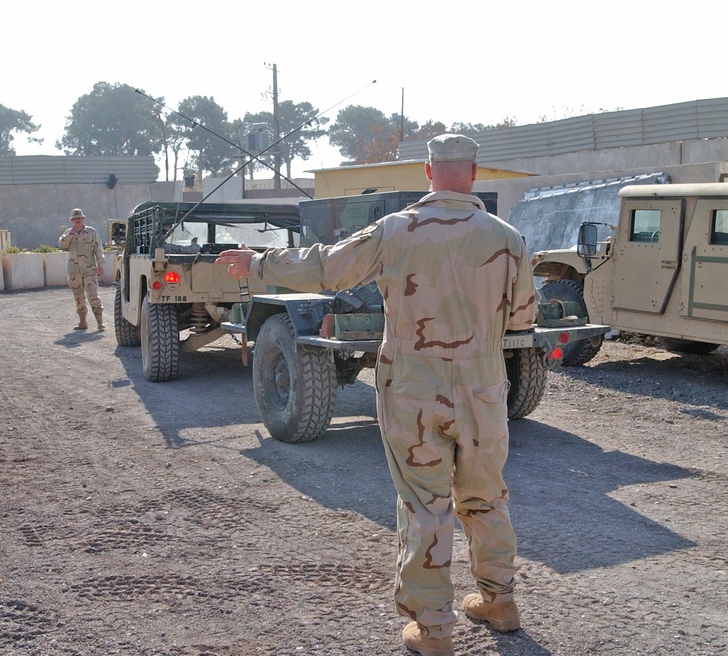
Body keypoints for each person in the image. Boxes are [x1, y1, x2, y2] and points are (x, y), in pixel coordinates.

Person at [217, 134, 537, 656]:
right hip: (481, 389)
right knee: (486, 496)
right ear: (474, 173)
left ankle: (434, 630)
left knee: (423, 504)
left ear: (429, 173)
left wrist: (258, 264)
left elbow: (326, 267)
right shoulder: (508, 238)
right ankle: (499, 602)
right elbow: (523, 317)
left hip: (412, 388)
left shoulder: (396, 230)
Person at [59, 208, 105, 331]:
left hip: (89, 269)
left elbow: (98, 249)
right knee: (78, 296)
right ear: (72, 220)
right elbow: (62, 244)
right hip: (74, 270)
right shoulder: (69, 233)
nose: (77, 220)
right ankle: (82, 322)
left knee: (92, 294)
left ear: (83, 219)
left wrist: (100, 265)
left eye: (79, 218)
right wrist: (70, 234)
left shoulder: (91, 232)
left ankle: (100, 322)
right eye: (75, 218)